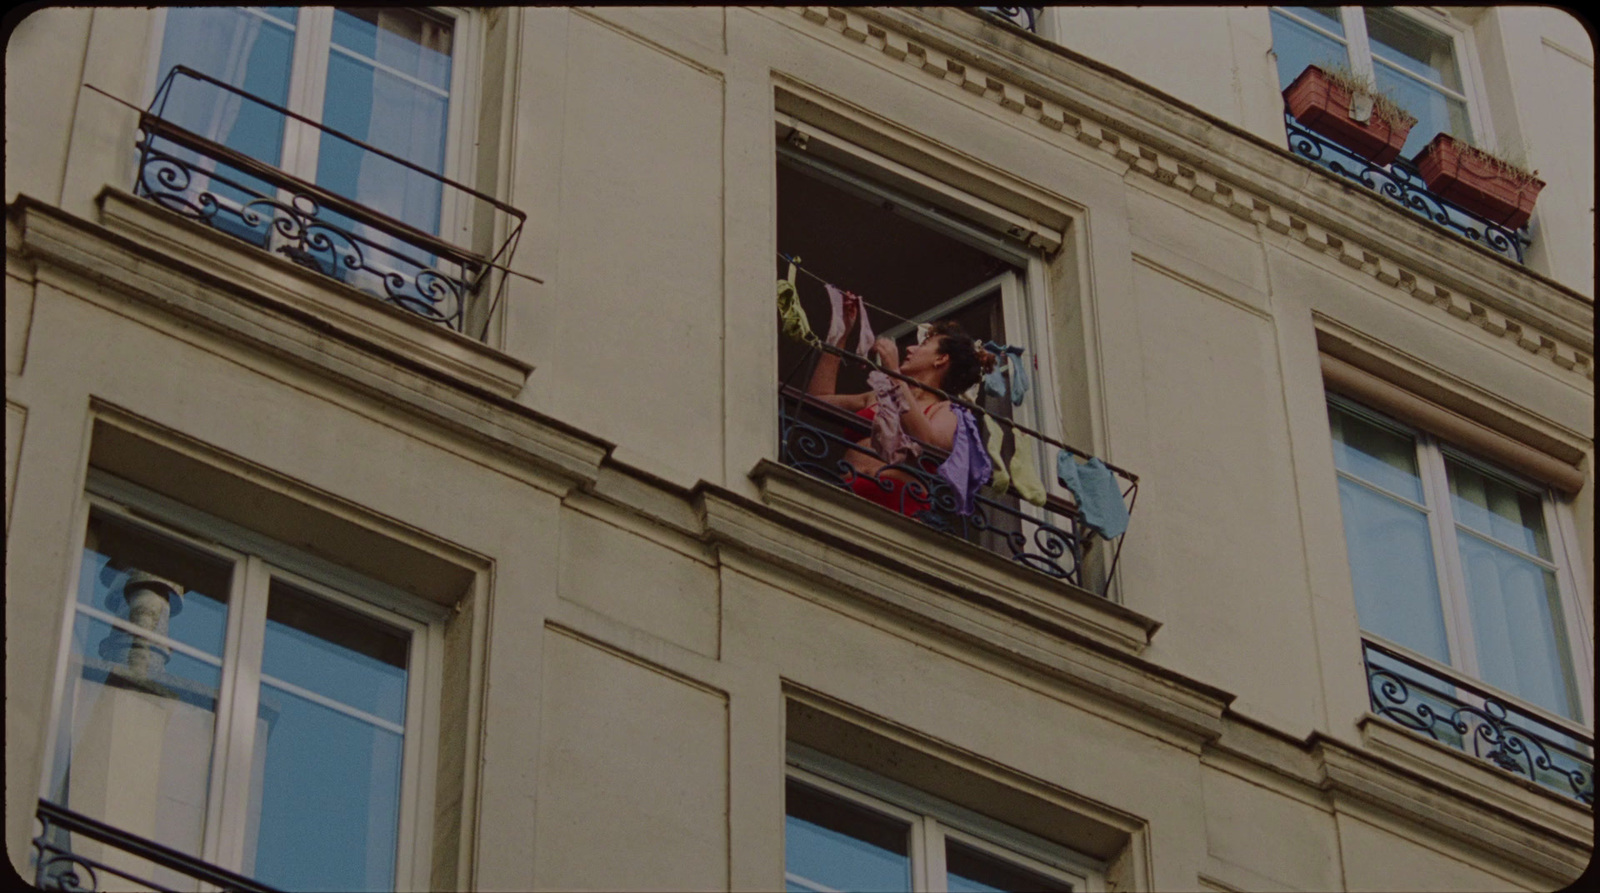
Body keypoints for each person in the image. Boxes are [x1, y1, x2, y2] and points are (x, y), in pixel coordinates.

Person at [806, 301, 993, 516]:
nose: (910, 348)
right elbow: (817, 400)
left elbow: (927, 441)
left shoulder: (948, 410)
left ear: (941, 359)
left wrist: (894, 374)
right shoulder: (878, 396)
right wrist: (842, 332)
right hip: (848, 489)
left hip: (898, 500)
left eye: (923, 345)